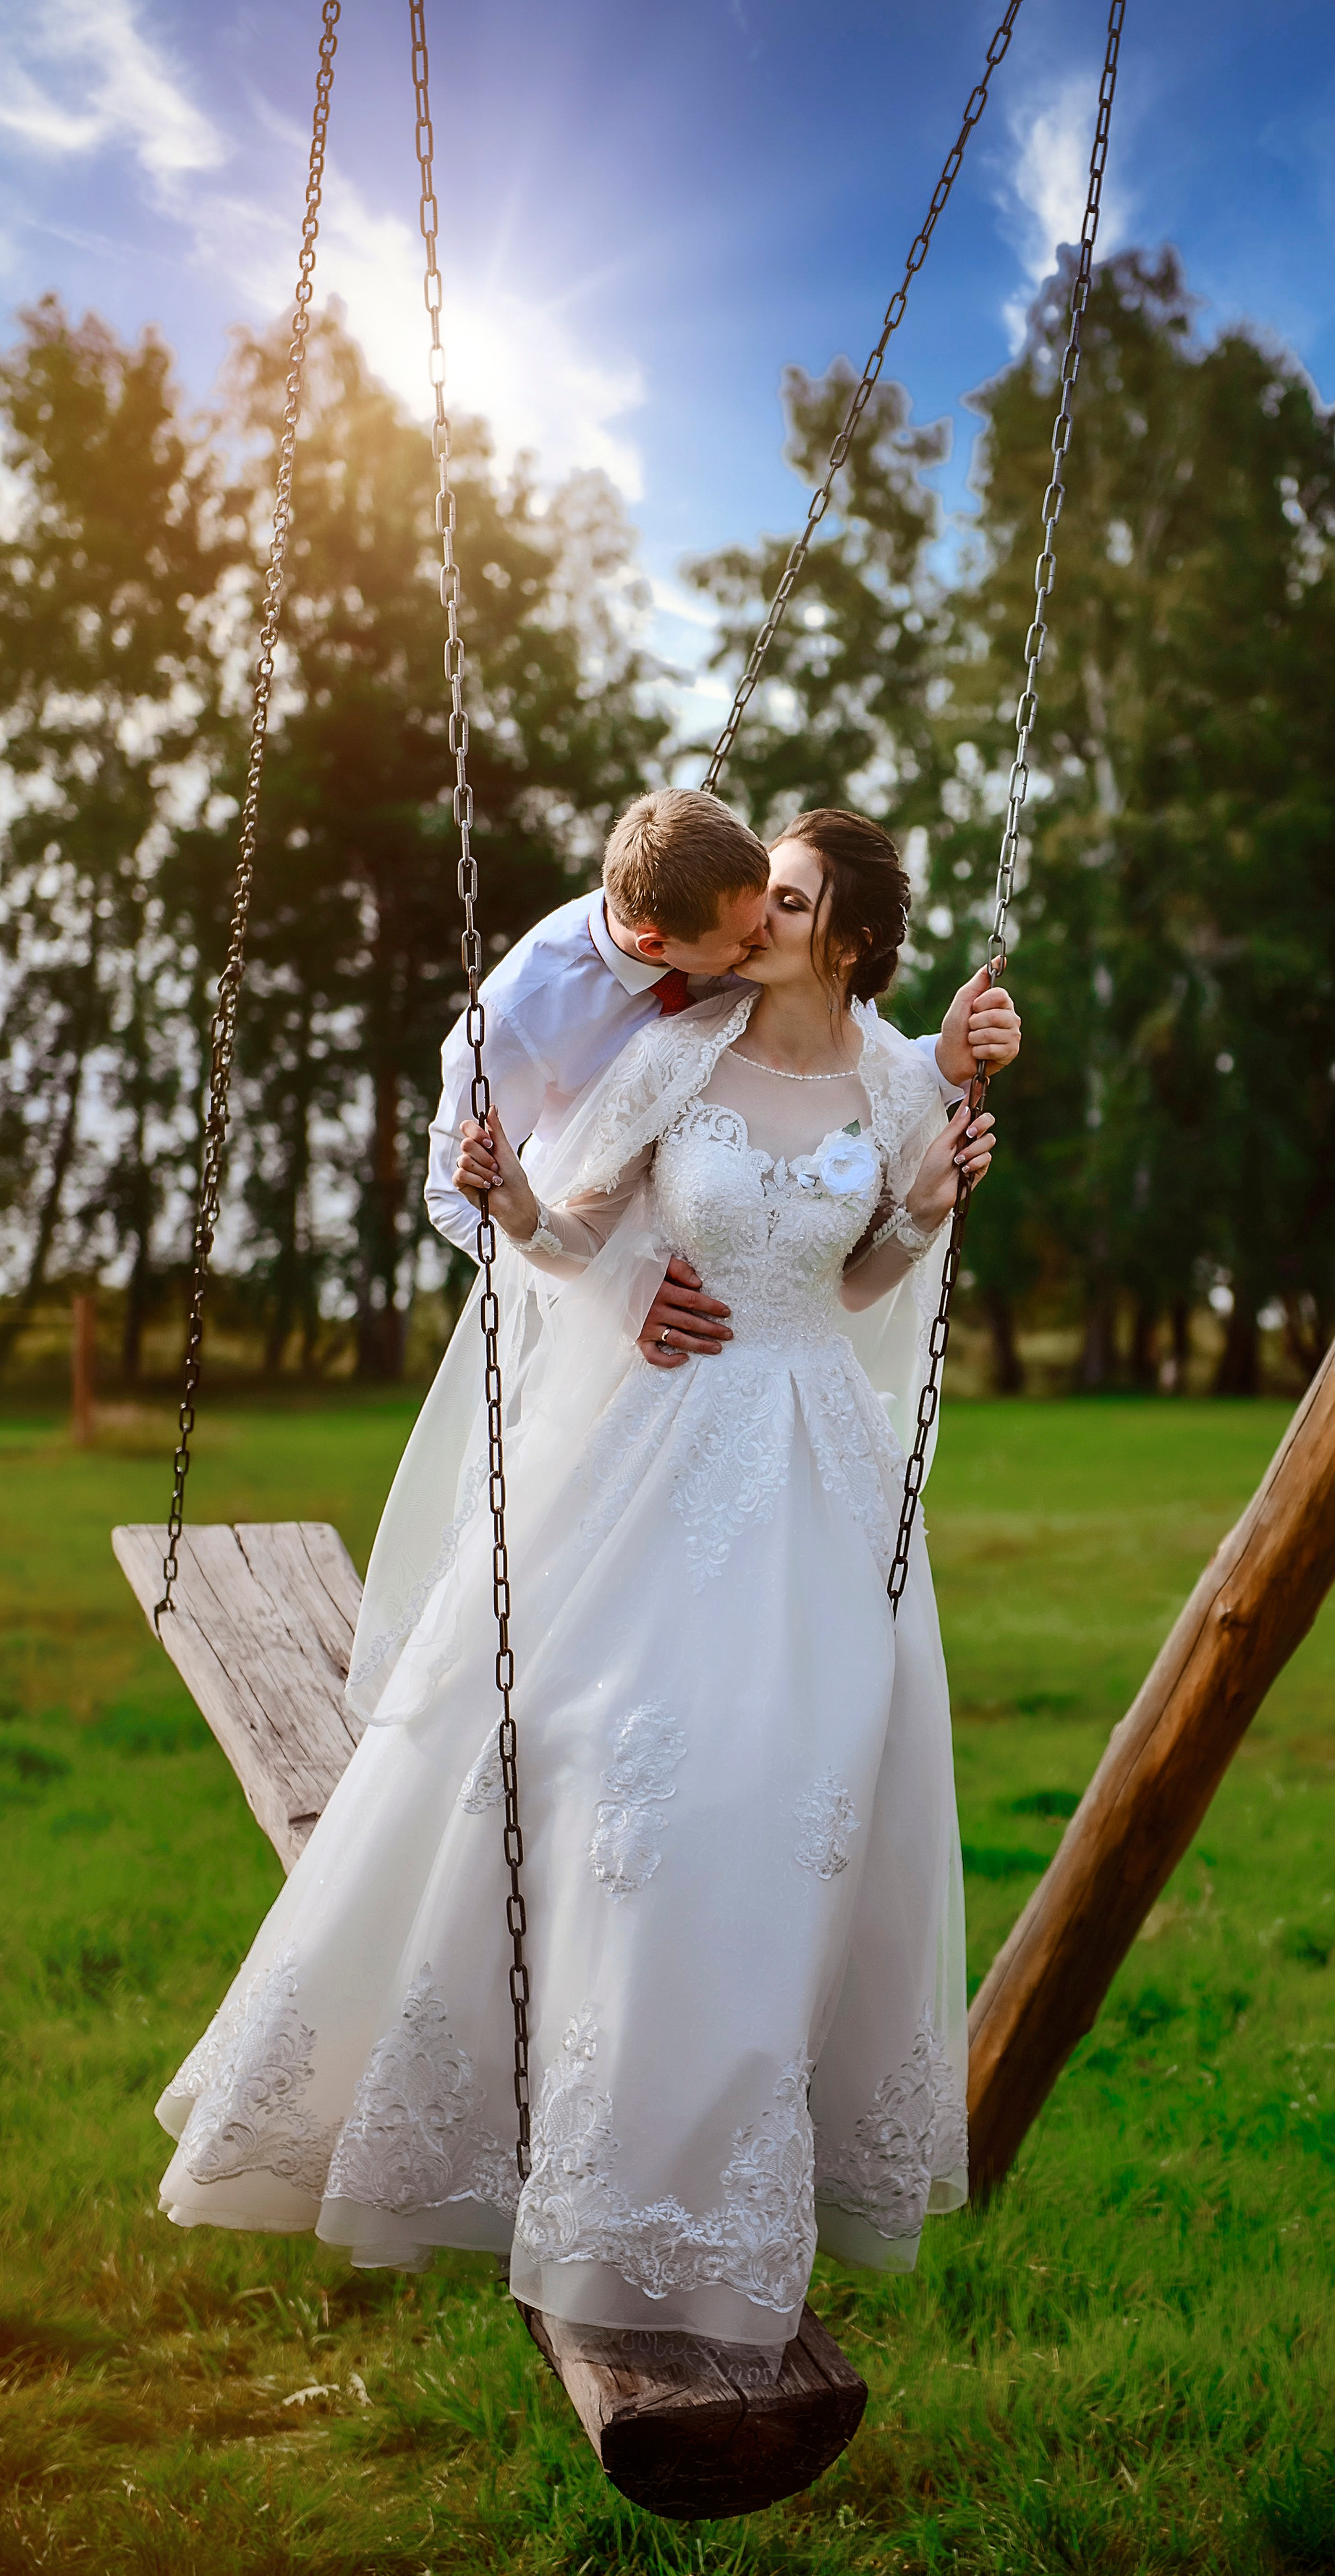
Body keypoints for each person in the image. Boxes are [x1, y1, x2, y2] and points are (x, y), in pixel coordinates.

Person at [153, 808, 996, 2376]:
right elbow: (572, 1231)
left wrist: (926, 1202)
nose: (757, 922)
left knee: (781, 1799)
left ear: (851, 939)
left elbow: (860, 1283)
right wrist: (515, 1204)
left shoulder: (895, 1086)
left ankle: (707, 2186)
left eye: (788, 901)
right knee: (606, 1762)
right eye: (757, 897)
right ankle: (562, 2137)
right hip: (658, 1446)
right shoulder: (675, 1053)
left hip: (815, 1470)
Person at [423, 783, 1017, 1366]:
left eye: (783, 902)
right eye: (745, 931)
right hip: (599, 1277)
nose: (759, 929)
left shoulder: (729, 910)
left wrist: (945, 1061)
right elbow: (454, 1197)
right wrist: (618, 1294)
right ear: (658, 946)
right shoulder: (519, 1016)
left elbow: (828, 1057)